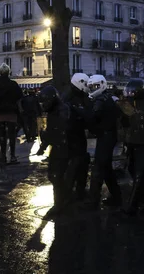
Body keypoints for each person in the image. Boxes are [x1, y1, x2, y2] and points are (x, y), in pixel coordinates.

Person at [119, 79, 144, 214]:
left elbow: (141, 121)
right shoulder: (133, 103)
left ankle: (132, 205)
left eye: (131, 92)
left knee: (139, 173)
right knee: (134, 170)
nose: (129, 94)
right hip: (134, 143)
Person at [86, 74, 122, 209]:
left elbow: (93, 117)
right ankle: (116, 196)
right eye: (91, 87)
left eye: (94, 86)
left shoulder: (101, 100)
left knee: (99, 168)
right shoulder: (109, 98)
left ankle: (93, 200)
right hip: (109, 136)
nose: (92, 89)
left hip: (106, 136)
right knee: (106, 169)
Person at [38, 85, 72, 218]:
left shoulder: (61, 110)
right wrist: (43, 146)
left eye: (44, 101)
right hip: (58, 147)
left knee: (56, 175)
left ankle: (60, 203)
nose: (43, 105)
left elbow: (58, 130)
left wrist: (46, 139)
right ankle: (62, 201)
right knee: (53, 175)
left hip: (62, 148)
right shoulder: (55, 110)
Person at [62, 73, 93, 201]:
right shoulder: (74, 99)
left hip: (74, 133)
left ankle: (73, 189)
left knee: (78, 161)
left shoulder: (71, 96)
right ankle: (73, 189)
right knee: (77, 162)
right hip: (74, 134)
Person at [0, 63, 24, 164]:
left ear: (0, 72)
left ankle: (2, 155)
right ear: (9, 72)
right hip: (11, 112)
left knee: (2, 135)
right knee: (12, 135)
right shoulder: (13, 84)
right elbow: (20, 96)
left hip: (0, 113)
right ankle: (13, 156)